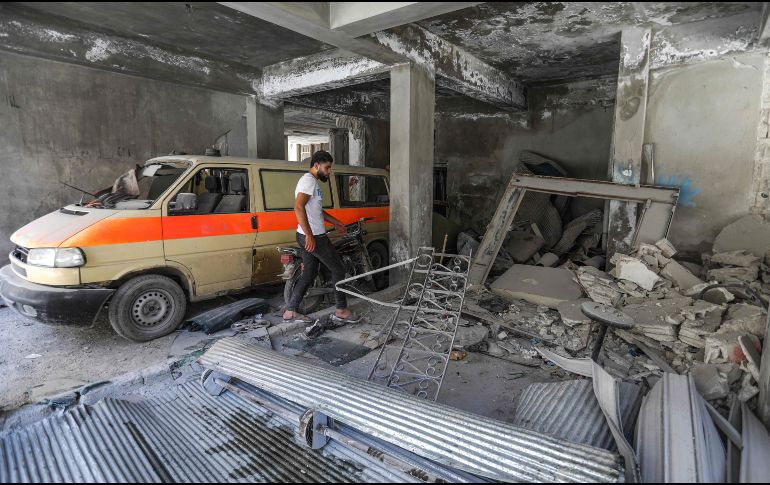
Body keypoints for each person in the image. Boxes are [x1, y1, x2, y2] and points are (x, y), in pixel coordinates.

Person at [283, 150, 361, 324]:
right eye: (327, 168)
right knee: (338, 269)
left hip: (306, 235)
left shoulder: (312, 182)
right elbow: (298, 207)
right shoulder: (308, 181)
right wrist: (310, 235)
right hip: (314, 237)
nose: (329, 171)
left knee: (309, 273)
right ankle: (341, 309)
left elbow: (317, 210)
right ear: (316, 165)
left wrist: (337, 222)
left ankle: (291, 311)